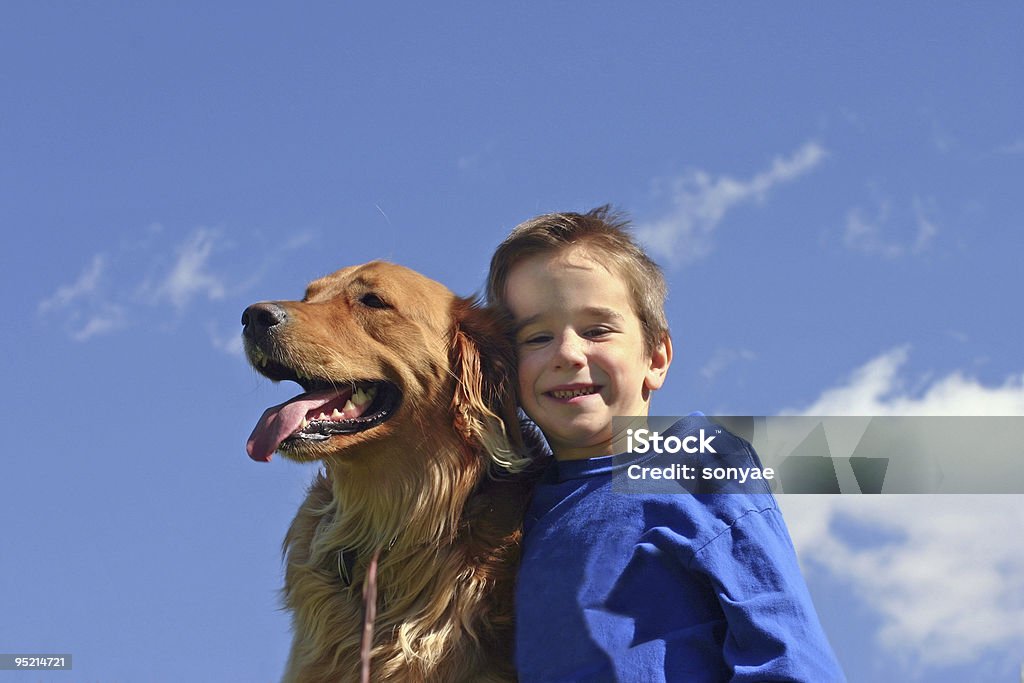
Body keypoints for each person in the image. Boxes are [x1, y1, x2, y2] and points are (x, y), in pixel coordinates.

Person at [486, 206, 844, 682]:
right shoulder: (507, 516)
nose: (568, 353)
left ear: (656, 357)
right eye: (536, 337)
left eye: (596, 330)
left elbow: (785, 652)